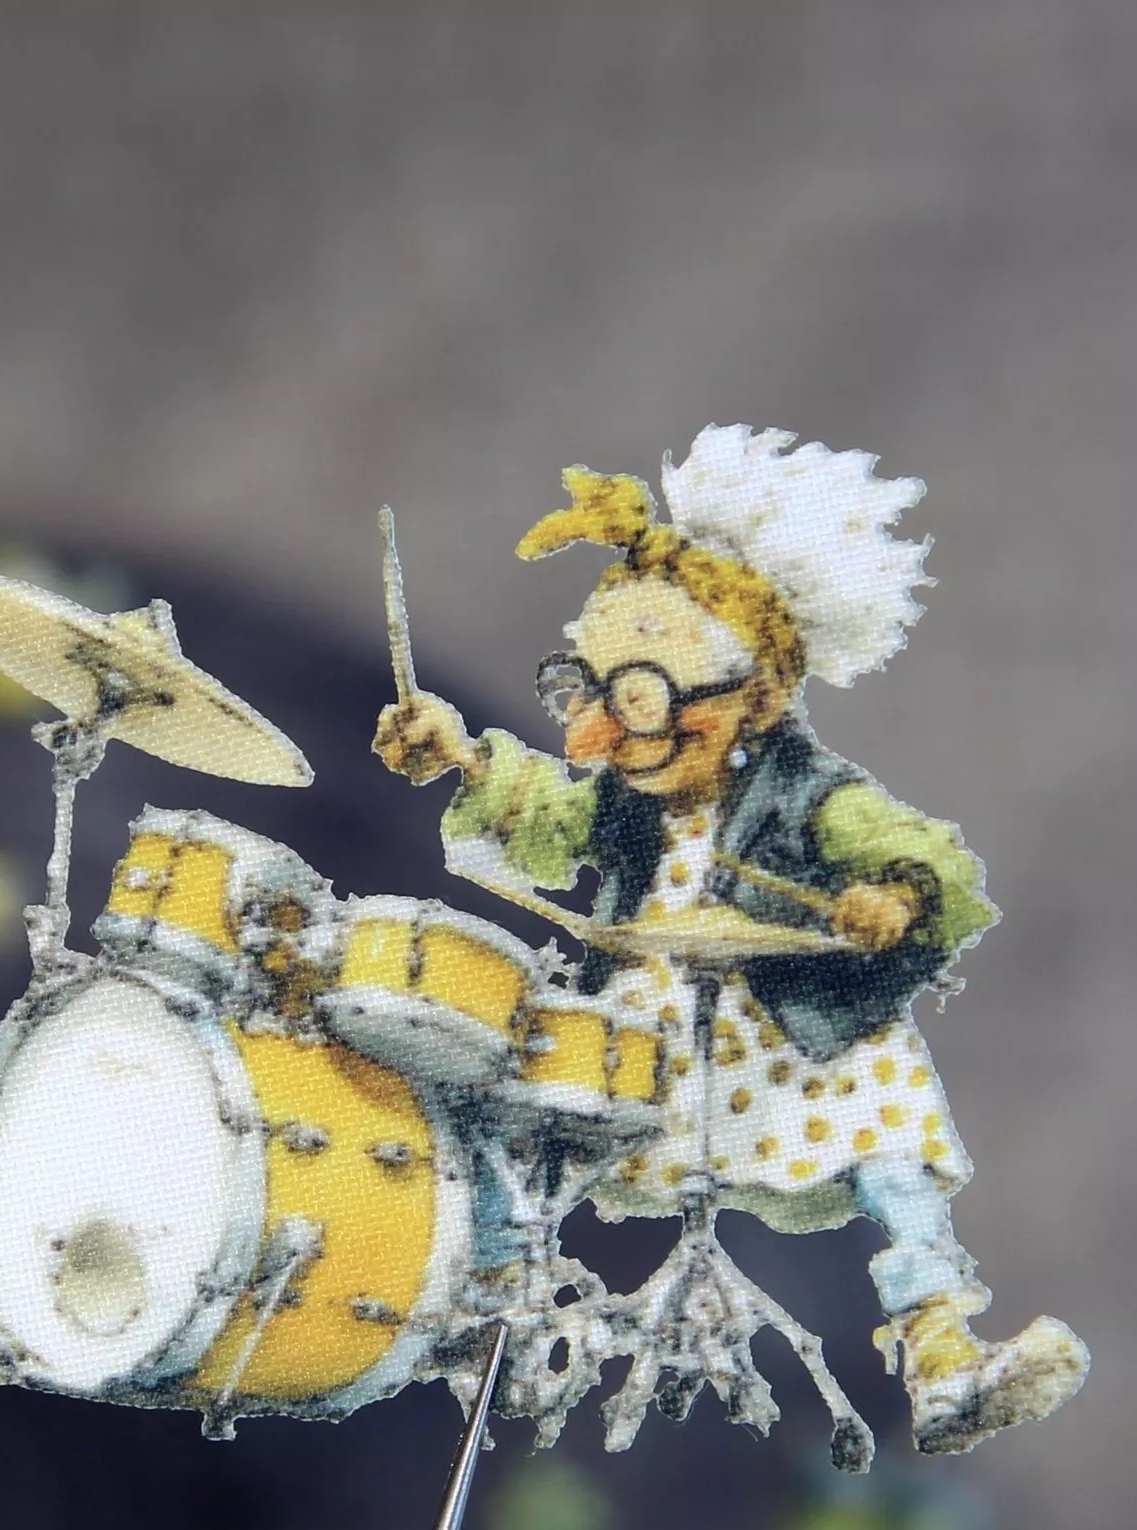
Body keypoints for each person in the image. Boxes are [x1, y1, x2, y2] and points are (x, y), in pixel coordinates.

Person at [373, 426, 1085, 1456]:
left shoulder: (812, 793)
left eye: (642, 698)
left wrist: (895, 893)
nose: (603, 732)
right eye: (590, 691)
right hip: (647, 1027)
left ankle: (939, 1351)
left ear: (758, 696)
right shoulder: (623, 796)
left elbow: (925, 856)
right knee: (533, 1121)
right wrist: (464, 758)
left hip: (787, 1036)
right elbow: (552, 812)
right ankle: (480, 1305)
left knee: (887, 1138)